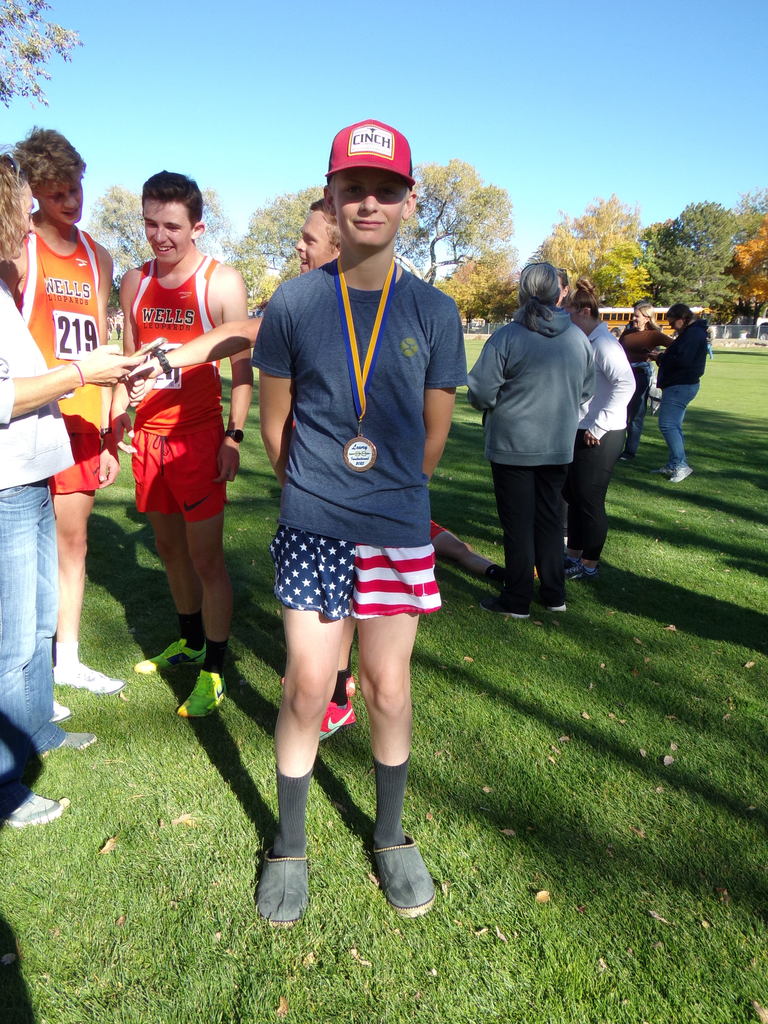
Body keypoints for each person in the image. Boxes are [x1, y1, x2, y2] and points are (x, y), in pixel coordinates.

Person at [251, 119, 466, 926]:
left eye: (385, 189)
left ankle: (389, 834)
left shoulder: (436, 312)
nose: (367, 202)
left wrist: (382, 494)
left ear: (409, 202)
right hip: (313, 524)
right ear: (333, 197)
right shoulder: (297, 303)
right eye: (353, 188)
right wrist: (318, 492)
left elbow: (434, 438)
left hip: (397, 529)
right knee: (308, 685)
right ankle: (291, 842)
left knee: (387, 686)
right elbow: (276, 430)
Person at [0, 154, 138, 827]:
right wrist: (78, 372)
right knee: (7, 634)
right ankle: (5, 786)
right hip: (5, 474)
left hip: (33, 462)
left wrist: (107, 411)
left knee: (36, 617)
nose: (30, 214)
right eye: (22, 201)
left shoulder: (71, 263)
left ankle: (37, 731)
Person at [113, 171, 252, 717]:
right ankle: (190, 640)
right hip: (148, 439)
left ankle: (215, 669)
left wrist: (234, 436)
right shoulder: (134, 282)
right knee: (170, 551)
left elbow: (243, 367)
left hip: (197, 440)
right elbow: (129, 359)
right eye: (150, 223)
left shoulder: (221, 282)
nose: (159, 235)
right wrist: (120, 417)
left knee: (206, 559)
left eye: (171, 225)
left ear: (197, 225)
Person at [467, 262, 594, 617]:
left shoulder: (508, 337)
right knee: (551, 520)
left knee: (518, 523)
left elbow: (480, 391)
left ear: (524, 292)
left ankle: (517, 598)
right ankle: (554, 594)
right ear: (559, 293)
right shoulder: (578, 339)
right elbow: (587, 389)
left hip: (512, 445)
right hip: (556, 443)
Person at [563, 279, 635, 580]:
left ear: (583, 311)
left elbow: (626, 384)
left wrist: (599, 424)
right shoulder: (588, 341)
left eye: (569, 312)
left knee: (590, 499)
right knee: (575, 494)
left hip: (602, 434)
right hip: (583, 428)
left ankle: (590, 563)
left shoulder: (605, 344)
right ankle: (573, 555)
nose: (566, 318)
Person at [651, 303, 709, 483]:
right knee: (674, 425)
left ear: (682, 319)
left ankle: (681, 465)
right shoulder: (692, 333)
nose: (671, 326)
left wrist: (661, 357)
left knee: (668, 425)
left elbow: (682, 360)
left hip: (680, 384)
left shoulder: (692, 334)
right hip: (681, 384)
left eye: (672, 322)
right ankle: (675, 462)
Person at [618, 301, 668, 460]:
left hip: (641, 374)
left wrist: (657, 356)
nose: (633, 318)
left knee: (636, 414)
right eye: (633, 315)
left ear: (647, 318)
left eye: (637, 316)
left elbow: (675, 347)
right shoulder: (627, 333)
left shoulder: (655, 335)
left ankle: (629, 451)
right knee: (620, 411)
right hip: (624, 373)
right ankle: (615, 447)